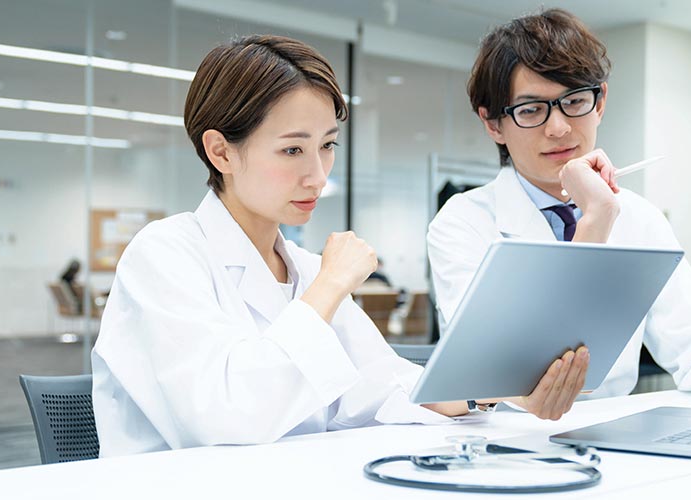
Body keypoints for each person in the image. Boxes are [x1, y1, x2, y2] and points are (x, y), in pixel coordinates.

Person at [91, 35, 470, 457]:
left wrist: (478, 391)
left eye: (326, 146)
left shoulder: (305, 268)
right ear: (221, 152)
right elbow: (227, 418)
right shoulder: (164, 254)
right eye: (292, 149)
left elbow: (378, 387)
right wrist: (330, 286)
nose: (317, 176)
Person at [428, 8, 691, 421]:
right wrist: (595, 222)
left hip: (613, 432)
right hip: (502, 439)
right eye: (531, 110)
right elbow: (511, 366)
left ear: (599, 101)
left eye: (575, 101)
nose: (560, 127)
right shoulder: (462, 222)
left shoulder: (639, 217)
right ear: (493, 124)